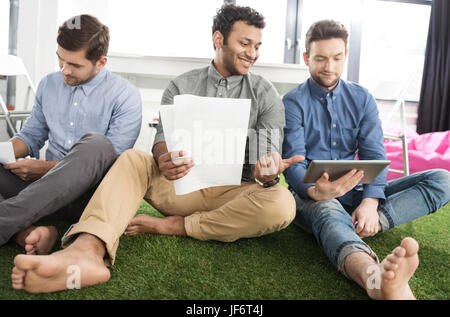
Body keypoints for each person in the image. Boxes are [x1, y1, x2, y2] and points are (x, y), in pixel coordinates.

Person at [11, 4, 303, 293]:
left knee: (281, 203)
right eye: (245, 43)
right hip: (182, 187)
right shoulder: (181, 85)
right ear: (218, 39)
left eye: (257, 45)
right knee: (132, 159)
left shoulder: (266, 94)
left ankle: (176, 226)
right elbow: (161, 141)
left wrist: (266, 172)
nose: (252, 52)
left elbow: (266, 161)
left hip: (236, 194)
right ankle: (87, 251)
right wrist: (163, 158)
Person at [282, 19, 450, 300]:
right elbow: (294, 164)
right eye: (321, 58)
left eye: (337, 58)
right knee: (326, 209)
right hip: (312, 196)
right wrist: (315, 190)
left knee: (443, 179)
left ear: (346, 55)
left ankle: (365, 222)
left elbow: (375, 155)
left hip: (357, 191)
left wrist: (371, 203)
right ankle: (375, 280)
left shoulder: (362, 98)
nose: (329, 67)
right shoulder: (292, 102)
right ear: (306, 58)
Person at [1, 15, 142, 255]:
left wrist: (46, 168)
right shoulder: (49, 85)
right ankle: (30, 234)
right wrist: (4, 151)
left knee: (98, 145)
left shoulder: (125, 96)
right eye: (60, 59)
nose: (64, 70)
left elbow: (110, 164)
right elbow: (31, 137)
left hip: (89, 200)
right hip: (42, 193)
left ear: (100, 62)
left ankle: (9, 219)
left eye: (75, 65)